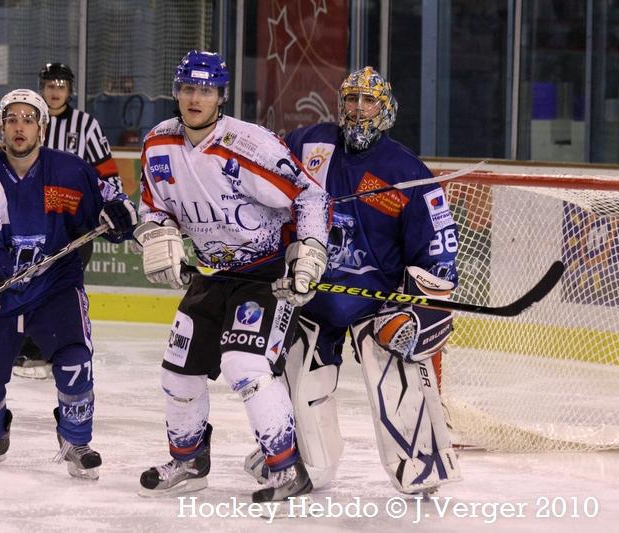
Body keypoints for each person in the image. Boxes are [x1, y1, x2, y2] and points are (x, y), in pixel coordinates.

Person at [246, 66, 462, 495]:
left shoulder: (406, 170)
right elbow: (261, 177)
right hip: (314, 293)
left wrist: (419, 310)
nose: (359, 109)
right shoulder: (309, 144)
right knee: (298, 378)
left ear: (386, 109)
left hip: (378, 303)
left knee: (398, 371)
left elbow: (438, 249)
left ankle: (423, 464)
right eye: (351, 99)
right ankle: (299, 461)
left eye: (369, 101)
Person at [133, 50, 331, 504]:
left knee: (245, 366)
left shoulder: (250, 146)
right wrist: (158, 234)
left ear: (221, 96)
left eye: (205, 90)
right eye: (188, 88)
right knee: (177, 372)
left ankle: (287, 470)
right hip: (210, 274)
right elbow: (152, 207)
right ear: (177, 92)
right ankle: (189, 462)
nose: (195, 98)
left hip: (263, 276)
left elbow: (310, 197)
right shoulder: (158, 144)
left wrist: (309, 252)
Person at [0, 88, 137, 479]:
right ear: (0, 128)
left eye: (29, 119)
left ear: (42, 129)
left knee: (74, 359)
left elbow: (112, 205)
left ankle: (76, 441)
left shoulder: (70, 171)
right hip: (3, 290)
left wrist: (119, 215)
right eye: (12, 119)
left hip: (56, 285)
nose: (20, 127)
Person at [13, 62, 126, 379]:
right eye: (50, 85)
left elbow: (107, 172)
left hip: (74, 224)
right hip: (31, 222)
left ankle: (63, 348)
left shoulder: (85, 125)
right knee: (26, 281)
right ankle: (29, 347)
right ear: (42, 88)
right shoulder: (28, 122)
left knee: (61, 286)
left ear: (70, 90)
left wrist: (113, 204)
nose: (55, 91)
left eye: (61, 86)